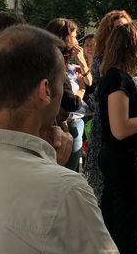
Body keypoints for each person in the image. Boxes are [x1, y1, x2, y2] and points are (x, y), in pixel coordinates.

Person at [0, 25, 117, 253]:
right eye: (61, 83)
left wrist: (49, 167)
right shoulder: (68, 192)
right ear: (45, 90)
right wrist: (53, 172)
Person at [97, 21, 137, 254]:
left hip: (117, 160)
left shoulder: (114, 76)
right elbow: (120, 129)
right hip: (124, 162)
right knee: (126, 231)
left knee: (113, 224)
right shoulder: (117, 78)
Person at [84, 9, 131, 200]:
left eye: (123, 28)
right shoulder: (100, 57)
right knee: (101, 181)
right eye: (115, 29)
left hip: (130, 125)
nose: (119, 33)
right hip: (104, 123)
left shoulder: (135, 56)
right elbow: (94, 90)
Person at [46, 18, 90, 172]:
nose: (77, 40)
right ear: (65, 38)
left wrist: (83, 61)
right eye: (75, 36)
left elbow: (90, 83)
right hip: (57, 125)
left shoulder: (48, 58)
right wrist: (82, 90)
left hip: (62, 123)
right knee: (67, 172)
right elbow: (71, 103)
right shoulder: (55, 63)